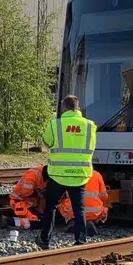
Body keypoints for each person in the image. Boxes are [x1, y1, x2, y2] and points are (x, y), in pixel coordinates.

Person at [40, 95, 97, 249]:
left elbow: (46, 142)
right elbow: (91, 147)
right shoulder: (90, 126)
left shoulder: (55, 125)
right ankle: (80, 241)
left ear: (63, 107)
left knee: (51, 207)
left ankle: (45, 239)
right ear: (78, 107)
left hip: (58, 174)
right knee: (79, 209)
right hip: (79, 175)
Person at [57, 168, 110, 235]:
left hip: (72, 212)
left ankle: (71, 220)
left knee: (60, 205)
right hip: (93, 213)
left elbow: (61, 194)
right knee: (104, 208)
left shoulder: (71, 174)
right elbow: (104, 196)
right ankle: (91, 221)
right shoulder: (97, 175)